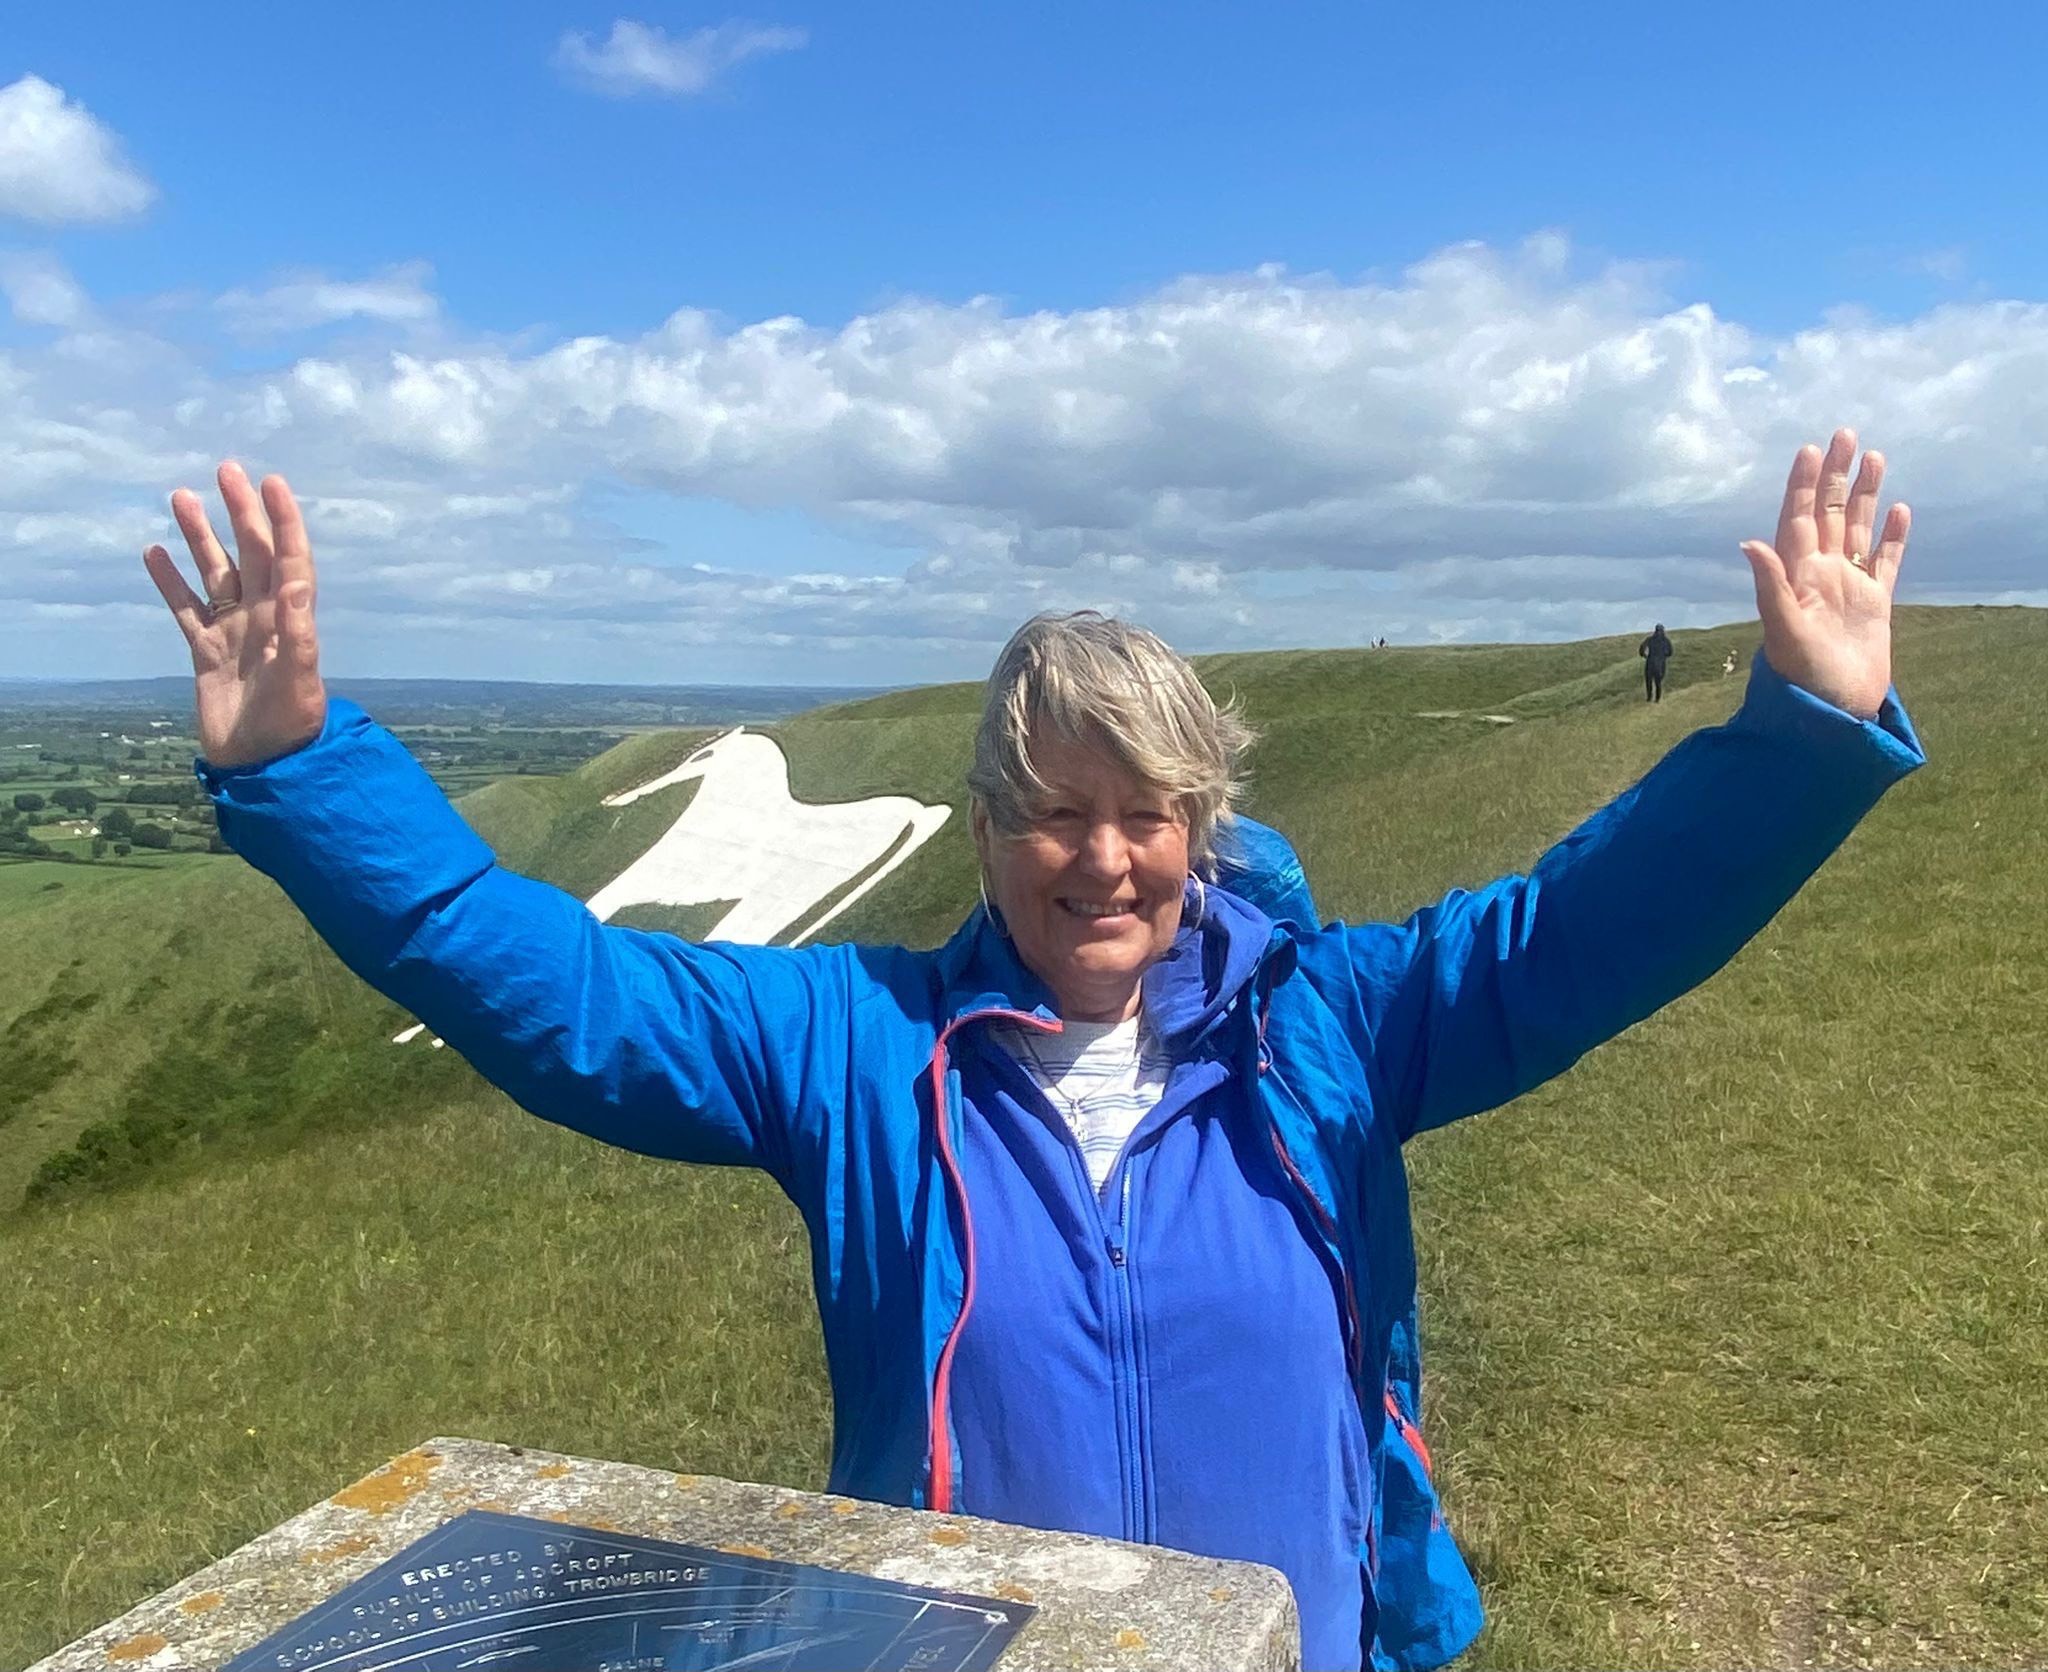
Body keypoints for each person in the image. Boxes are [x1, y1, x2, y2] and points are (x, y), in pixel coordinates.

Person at [143, 430, 1921, 1671]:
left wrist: (1802, 738)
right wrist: (302, 769)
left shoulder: (1334, 1025)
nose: (1103, 859)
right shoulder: (857, 1050)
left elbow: (1580, 933)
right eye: (1055, 811)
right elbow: (563, 990)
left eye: (1147, 810)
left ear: (1203, 825)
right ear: (987, 827)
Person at [1639, 622, 1675, 702]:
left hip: (1650, 663)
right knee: (1658, 681)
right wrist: (1664, 655)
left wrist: (1644, 655)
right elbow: (1670, 652)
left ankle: (1649, 697)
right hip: (1660, 663)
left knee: (1649, 681)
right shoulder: (1666, 641)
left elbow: (1642, 648)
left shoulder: (1650, 639)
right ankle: (1657, 699)